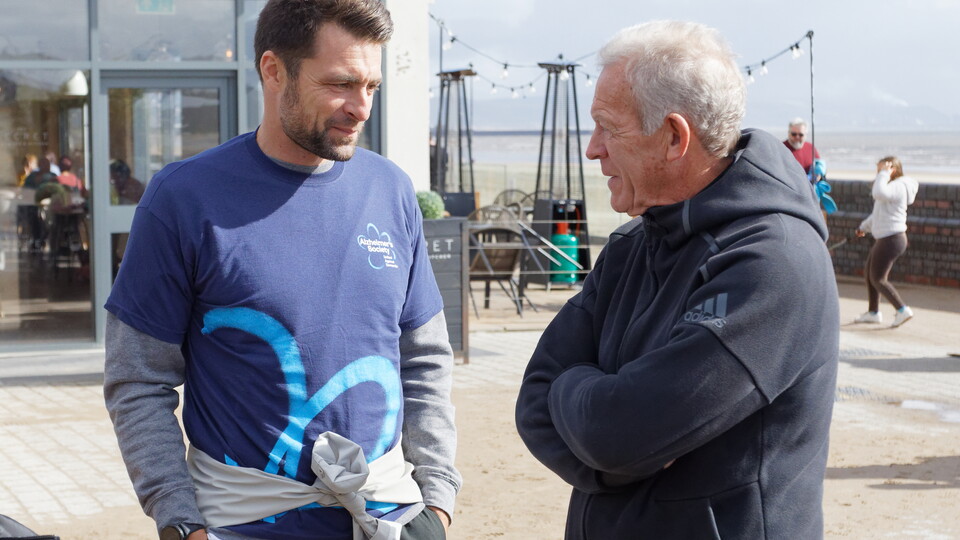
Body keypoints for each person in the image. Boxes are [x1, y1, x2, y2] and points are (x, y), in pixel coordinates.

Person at [103, 1, 461, 539]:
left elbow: (425, 357)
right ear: (274, 71)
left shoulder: (390, 190)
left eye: (372, 86)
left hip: (392, 518)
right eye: (340, 84)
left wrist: (436, 499)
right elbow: (138, 377)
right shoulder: (184, 197)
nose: (361, 108)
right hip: (243, 524)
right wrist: (180, 520)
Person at [515, 20, 839, 539]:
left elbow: (615, 433)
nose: (593, 149)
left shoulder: (773, 263)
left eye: (607, 127)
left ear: (673, 137)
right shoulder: (631, 245)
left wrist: (577, 397)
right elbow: (534, 400)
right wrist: (612, 449)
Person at [854, 156, 918, 327]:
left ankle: (902, 310)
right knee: (870, 274)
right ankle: (873, 312)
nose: (878, 173)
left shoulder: (898, 186)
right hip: (887, 237)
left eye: (881, 169)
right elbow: (878, 214)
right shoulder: (891, 187)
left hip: (892, 238)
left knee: (878, 278)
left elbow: (878, 193)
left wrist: (884, 174)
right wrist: (863, 227)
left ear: (892, 170)